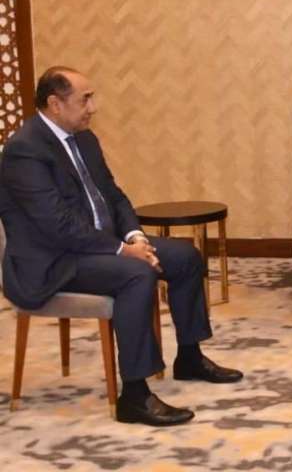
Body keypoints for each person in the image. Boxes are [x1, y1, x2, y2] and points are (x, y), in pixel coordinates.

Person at [0, 66, 243, 426]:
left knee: (185, 257)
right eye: (85, 99)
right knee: (136, 273)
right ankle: (134, 395)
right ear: (55, 103)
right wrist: (122, 251)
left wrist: (135, 237)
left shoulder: (84, 138)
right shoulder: (25, 150)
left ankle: (189, 357)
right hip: (53, 260)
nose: (93, 107)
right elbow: (57, 225)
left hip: (98, 246)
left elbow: (114, 196)